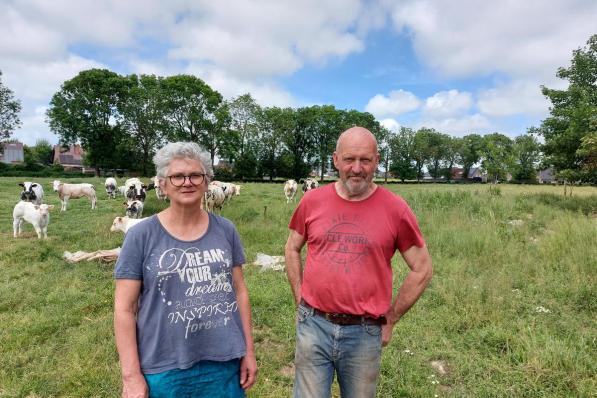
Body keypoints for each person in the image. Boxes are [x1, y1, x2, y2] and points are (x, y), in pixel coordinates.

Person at [284, 127, 433, 397]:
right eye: (349, 159)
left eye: (365, 160)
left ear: (377, 161)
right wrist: (299, 299)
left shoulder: (395, 209)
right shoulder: (311, 200)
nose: (357, 168)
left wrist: (392, 318)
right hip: (314, 325)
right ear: (335, 160)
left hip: (364, 333)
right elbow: (292, 248)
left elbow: (422, 268)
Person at [114, 142, 257, 398]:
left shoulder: (226, 230)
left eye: (195, 175)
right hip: (164, 367)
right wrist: (131, 376)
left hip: (223, 363)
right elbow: (124, 308)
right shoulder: (141, 235)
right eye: (177, 176)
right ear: (162, 184)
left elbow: (240, 292)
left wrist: (249, 351)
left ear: (207, 181)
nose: (187, 182)